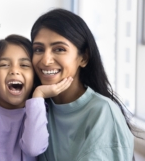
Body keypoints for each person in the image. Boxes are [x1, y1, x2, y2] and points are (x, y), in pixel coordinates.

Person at [30, 8, 134, 161]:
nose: (45, 60)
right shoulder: (37, 108)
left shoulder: (102, 112)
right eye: (38, 49)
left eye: (59, 49)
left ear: (83, 58)